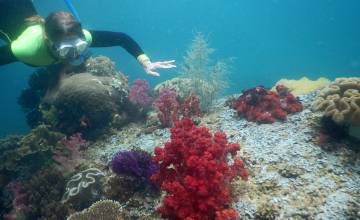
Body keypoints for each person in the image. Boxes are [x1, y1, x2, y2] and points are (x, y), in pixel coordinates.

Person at [0, 1, 175, 76]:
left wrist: (145, 61)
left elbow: (121, 38)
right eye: (66, 50)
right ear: (48, 40)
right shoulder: (26, 50)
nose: (74, 55)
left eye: (80, 46)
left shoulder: (84, 36)